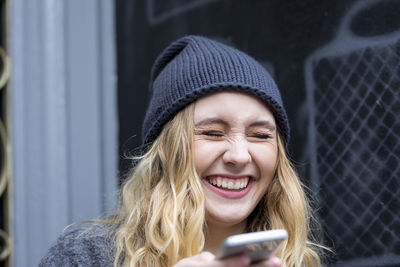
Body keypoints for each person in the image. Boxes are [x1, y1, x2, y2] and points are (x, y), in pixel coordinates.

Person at [40, 35, 325, 267]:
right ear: (165, 150)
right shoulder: (88, 256)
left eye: (260, 136)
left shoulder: (297, 260)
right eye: (212, 133)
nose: (239, 156)